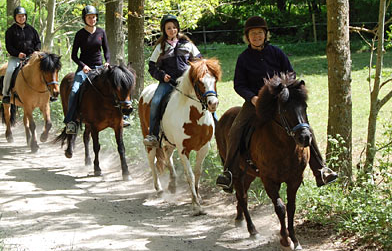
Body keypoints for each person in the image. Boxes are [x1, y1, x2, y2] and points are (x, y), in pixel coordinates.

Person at [215, 16, 338, 192]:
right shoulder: (243, 58)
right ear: (247, 37)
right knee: (236, 128)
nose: (256, 36)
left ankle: (320, 170)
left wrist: (287, 91)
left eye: (259, 33)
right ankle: (228, 173)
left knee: (304, 125)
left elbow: (291, 74)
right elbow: (239, 84)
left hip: (282, 101)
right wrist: (252, 98)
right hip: (255, 103)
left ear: (266, 35)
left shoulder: (277, 53)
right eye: (252, 34)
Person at [143, 14, 202, 148]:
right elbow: (152, 67)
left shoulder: (187, 44)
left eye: (174, 27)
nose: (172, 30)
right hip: (168, 83)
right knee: (156, 101)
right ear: (164, 30)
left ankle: (214, 124)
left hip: (187, 82)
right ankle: (153, 134)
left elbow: (199, 60)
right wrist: (162, 75)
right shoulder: (160, 47)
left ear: (178, 28)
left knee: (206, 96)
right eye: (168, 28)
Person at [63, 5, 110, 134]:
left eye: (94, 17)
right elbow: (74, 55)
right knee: (74, 90)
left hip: (100, 68)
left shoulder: (101, 32)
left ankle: (120, 117)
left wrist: (107, 62)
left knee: (113, 86)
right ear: (85, 19)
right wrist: (83, 66)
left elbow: (106, 50)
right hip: (84, 68)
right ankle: (71, 121)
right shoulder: (80, 34)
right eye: (89, 17)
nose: (92, 20)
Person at [2, 6, 41, 103]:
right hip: (16, 58)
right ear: (15, 17)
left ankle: (48, 93)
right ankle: (6, 94)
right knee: (9, 71)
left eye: (23, 16)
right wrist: (17, 54)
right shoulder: (10, 31)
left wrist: (36, 51)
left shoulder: (32, 30)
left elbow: (38, 42)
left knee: (44, 68)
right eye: (19, 16)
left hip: (31, 57)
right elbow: (9, 46)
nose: (21, 18)